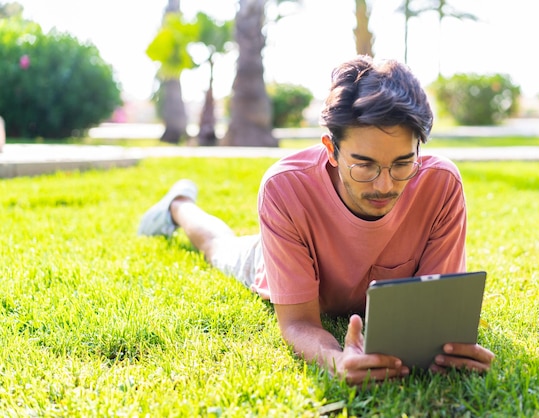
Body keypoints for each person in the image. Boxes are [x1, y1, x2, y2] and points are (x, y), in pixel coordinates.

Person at [138, 55, 494, 385]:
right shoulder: (285, 186)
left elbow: (434, 311)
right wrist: (335, 360)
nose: (385, 185)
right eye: (364, 164)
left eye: (403, 163)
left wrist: (446, 348)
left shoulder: (441, 184)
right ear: (331, 149)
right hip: (271, 259)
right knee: (219, 248)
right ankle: (179, 205)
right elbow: (298, 323)